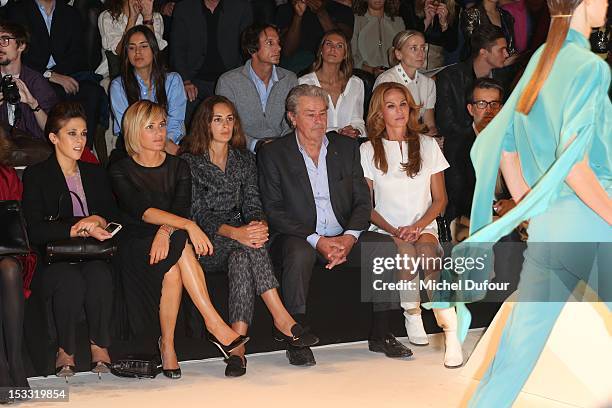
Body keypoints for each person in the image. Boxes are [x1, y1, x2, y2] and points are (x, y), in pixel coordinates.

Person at [452, 0, 611, 404]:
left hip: (551, 229)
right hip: (593, 222)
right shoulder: (590, 67)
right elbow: (576, 167)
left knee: (513, 360)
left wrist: (531, 204)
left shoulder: (543, 58)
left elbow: (500, 142)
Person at [258, 84, 411, 366]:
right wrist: (317, 240)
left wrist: (350, 238)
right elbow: (274, 210)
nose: (319, 120)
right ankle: (296, 336)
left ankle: (382, 332)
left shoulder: (345, 148)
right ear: (292, 117)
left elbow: (363, 202)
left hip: (342, 235)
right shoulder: (274, 153)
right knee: (298, 253)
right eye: (310, 114)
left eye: (323, 113)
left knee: (383, 247)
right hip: (298, 236)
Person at [180, 95, 319, 377]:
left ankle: (237, 350)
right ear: (204, 124)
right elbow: (199, 214)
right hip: (207, 242)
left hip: (241, 240)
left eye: (230, 119)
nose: (225, 125)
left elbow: (254, 202)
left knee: (245, 256)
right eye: (217, 119)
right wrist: (238, 233)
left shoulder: (244, 159)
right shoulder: (189, 162)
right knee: (248, 245)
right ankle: (281, 318)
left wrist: (257, 225)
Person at [109, 100, 249, 379]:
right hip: (135, 240)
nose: (160, 132)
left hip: (169, 235)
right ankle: (212, 324)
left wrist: (167, 230)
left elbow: (180, 207)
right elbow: (142, 211)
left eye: (162, 125)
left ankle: (169, 346)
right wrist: (185, 226)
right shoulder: (119, 167)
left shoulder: (178, 165)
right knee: (182, 245)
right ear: (134, 131)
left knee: (173, 270)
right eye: (150, 127)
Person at [360, 82, 463, 367]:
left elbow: (440, 200)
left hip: (423, 226)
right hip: (385, 229)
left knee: (429, 257)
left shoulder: (428, 145)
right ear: (380, 112)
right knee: (405, 253)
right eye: (390, 105)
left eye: (403, 104)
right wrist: (396, 231)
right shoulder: (368, 149)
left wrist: (418, 225)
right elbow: (366, 207)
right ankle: (411, 312)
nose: (399, 111)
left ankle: (451, 334)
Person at [21, 102, 117, 379]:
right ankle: (66, 349)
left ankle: (100, 345)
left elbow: (113, 217)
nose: (80, 140)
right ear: (54, 137)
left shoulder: (95, 173)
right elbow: (34, 229)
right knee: (69, 280)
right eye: (72, 133)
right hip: (54, 257)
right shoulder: (37, 175)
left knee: (100, 275)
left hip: (94, 254)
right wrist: (76, 228)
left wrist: (97, 220)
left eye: (84, 133)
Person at [6, 0, 105, 151]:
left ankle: (85, 150)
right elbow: (19, 54)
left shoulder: (69, 13)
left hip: (67, 73)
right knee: (52, 93)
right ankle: (57, 149)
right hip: (34, 74)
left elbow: (78, 53)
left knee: (93, 92)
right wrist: (50, 75)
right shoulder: (19, 11)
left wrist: (62, 75)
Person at [435, 25, 510, 186]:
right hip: (460, 153)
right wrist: (480, 134)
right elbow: (446, 124)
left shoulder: (504, 78)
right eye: (501, 50)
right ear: (483, 52)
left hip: (497, 150)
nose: (507, 54)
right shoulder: (450, 77)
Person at [216, 23, 297, 153]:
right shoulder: (228, 82)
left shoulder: (289, 79)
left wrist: (279, 145)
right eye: (270, 43)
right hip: (242, 150)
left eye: (278, 42)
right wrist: (256, 145)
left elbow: (293, 121)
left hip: (282, 149)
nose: (279, 48)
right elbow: (227, 127)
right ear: (252, 49)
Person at [109, 25, 186, 158]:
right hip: (134, 149)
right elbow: (128, 128)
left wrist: (165, 143)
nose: (137, 52)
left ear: (154, 49)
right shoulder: (118, 86)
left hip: (169, 144)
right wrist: (160, 146)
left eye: (143, 46)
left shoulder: (173, 80)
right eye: (132, 48)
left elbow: (175, 121)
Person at [170, 0, 253, 122]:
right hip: (194, 81)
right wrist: (185, 80)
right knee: (185, 105)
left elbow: (247, 49)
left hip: (229, 79)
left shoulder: (241, 6)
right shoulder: (185, 7)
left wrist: (239, 79)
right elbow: (177, 48)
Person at [0, 134, 29, 401]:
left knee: (9, 269)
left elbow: (17, 221)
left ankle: (16, 362)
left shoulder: (6, 174)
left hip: (5, 251)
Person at [299, 29, 366, 138]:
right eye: (329, 44)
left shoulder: (356, 83)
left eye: (339, 46)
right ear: (321, 50)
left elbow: (358, 122)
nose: (333, 49)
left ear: (345, 54)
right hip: (315, 144)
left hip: (348, 145)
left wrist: (356, 131)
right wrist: (337, 132)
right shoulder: (305, 83)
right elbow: (305, 123)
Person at [0, 20, 57, 141]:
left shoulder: (36, 81)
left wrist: (33, 104)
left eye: (5, 40)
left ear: (21, 45)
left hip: (31, 150)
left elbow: (53, 132)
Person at [374, 30, 437, 135]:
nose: (421, 54)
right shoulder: (386, 80)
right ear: (398, 54)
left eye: (423, 48)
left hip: (416, 137)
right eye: (414, 48)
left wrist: (431, 136)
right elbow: (378, 122)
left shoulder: (428, 83)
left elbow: (429, 124)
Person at [275, 0, 354, 73]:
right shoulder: (286, 9)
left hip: (330, 67)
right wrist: (297, 16)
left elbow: (343, 43)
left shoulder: (343, 11)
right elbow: (287, 51)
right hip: (294, 68)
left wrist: (321, 12)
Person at [98, 0, 167, 78]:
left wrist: (147, 18)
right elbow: (120, 52)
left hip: (149, 74)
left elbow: (153, 51)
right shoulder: (107, 17)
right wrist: (132, 19)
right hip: (114, 74)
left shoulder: (155, 16)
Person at [351, 0, 405, 77]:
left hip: (394, 76)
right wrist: (371, 70)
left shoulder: (398, 22)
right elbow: (351, 56)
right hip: (364, 76)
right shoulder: (356, 21)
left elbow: (404, 52)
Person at [400, 0, 460, 68]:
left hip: (436, 67)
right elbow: (409, 38)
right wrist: (427, 21)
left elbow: (452, 47)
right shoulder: (409, 4)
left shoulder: (451, 7)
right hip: (411, 63)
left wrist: (444, 24)